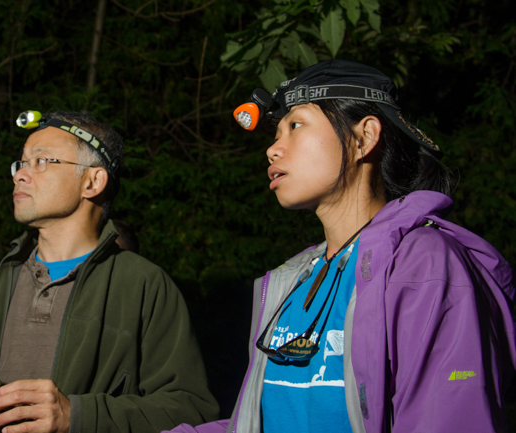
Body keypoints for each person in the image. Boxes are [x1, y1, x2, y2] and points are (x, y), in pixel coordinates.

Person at [166, 60, 516, 433]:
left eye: (295, 125)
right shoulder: (292, 280)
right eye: (276, 133)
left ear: (364, 137)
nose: (272, 150)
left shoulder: (424, 266)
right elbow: (257, 423)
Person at [0, 110, 219, 433]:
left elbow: (192, 411)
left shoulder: (143, 285)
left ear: (92, 181)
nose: (20, 175)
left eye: (42, 161)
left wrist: (77, 416)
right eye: (21, 163)